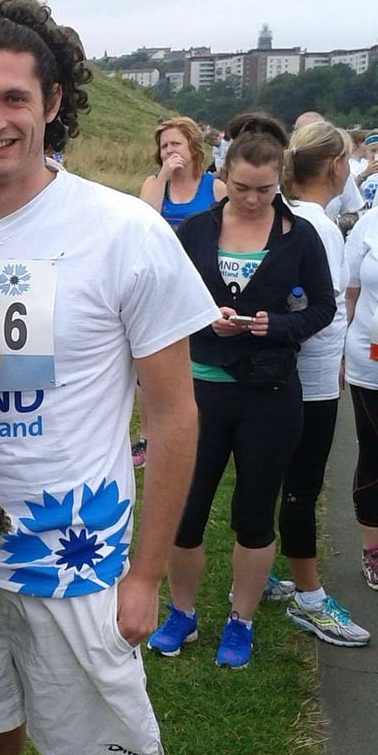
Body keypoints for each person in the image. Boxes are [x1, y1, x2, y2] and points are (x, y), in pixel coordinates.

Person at [0, 0, 219, 755]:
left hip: (78, 564)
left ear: (52, 102)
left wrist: (146, 576)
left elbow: (175, 417)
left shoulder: (124, 232)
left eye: (14, 98)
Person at [150, 113, 336, 669]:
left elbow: (323, 308)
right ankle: (182, 612)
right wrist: (207, 318)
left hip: (269, 392)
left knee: (255, 514)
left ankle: (241, 619)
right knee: (186, 512)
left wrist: (274, 325)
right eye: (242, 188)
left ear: (280, 181)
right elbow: (166, 297)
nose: (253, 200)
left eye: (266, 190)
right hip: (201, 391)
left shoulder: (299, 235)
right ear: (223, 175)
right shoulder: (196, 230)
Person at [277, 121, 369, 645]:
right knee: (302, 485)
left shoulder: (289, 214)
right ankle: (310, 598)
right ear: (336, 167)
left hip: (282, 371)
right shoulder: (322, 227)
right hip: (309, 378)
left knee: (275, 478)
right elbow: (323, 307)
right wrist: (332, 363)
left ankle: (260, 573)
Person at [134, 117, 226, 468]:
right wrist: (163, 177)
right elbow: (143, 222)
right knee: (149, 366)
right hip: (161, 284)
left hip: (202, 284)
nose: (169, 151)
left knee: (193, 364)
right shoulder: (154, 183)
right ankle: (147, 438)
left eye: (176, 144)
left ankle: (193, 434)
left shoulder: (214, 187)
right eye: (164, 146)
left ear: (192, 147)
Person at [340, 186, 378, 592]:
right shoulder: (369, 224)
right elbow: (347, 295)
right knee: (374, 451)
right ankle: (374, 548)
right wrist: (336, 354)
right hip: (371, 361)